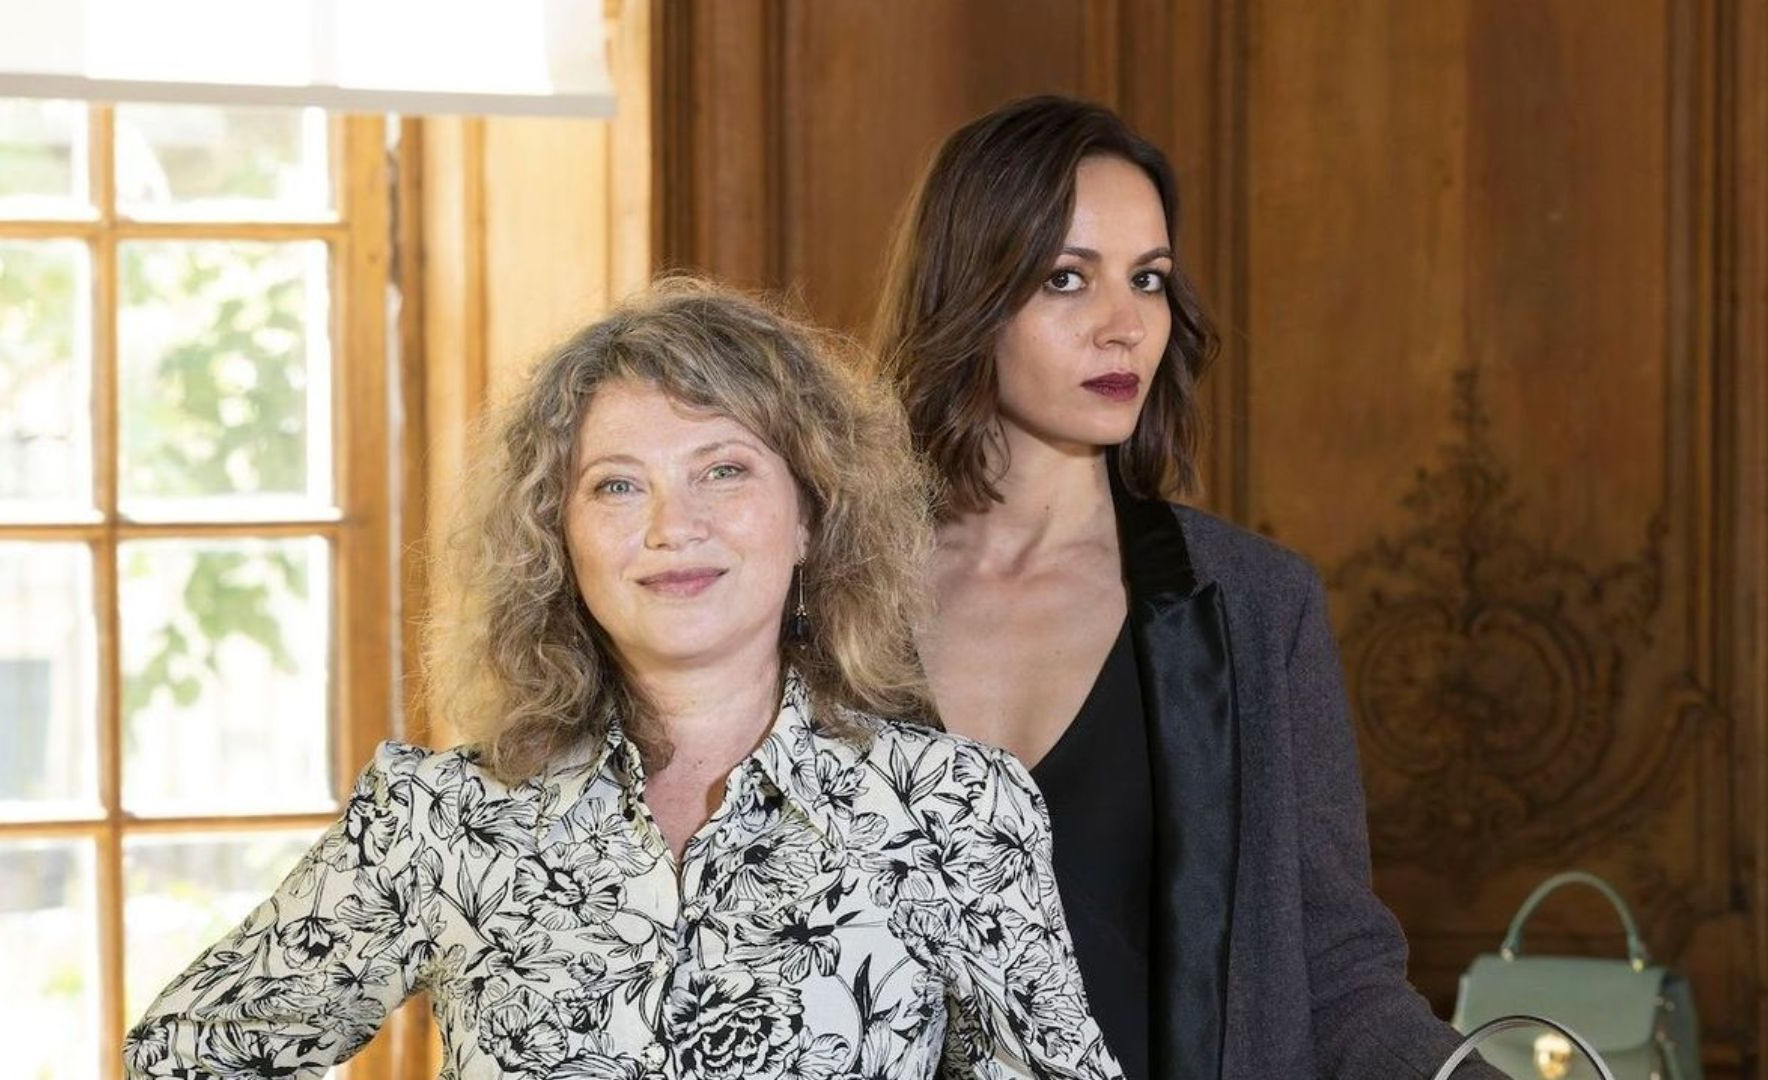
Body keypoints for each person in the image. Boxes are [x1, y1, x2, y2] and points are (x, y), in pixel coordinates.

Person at [125, 281, 1125, 1080]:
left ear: (810, 516)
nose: (670, 527)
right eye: (615, 485)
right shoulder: (443, 821)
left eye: (723, 470)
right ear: (556, 540)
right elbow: (185, 1056)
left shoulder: (952, 810)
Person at [871, 95, 1502, 1080]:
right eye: (1067, 278)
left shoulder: (1256, 607)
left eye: (1150, 279)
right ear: (970, 293)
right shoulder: (825, 600)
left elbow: (1340, 977)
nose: (1125, 326)